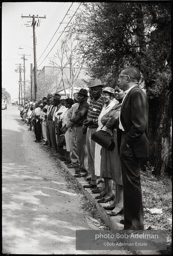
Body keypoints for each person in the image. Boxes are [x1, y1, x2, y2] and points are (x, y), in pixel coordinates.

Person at [117, 66, 149, 230]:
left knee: (132, 184)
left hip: (131, 145)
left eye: (121, 77)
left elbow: (139, 125)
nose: (119, 80)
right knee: (129, 184)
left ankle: (135, 225)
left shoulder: (136, 93)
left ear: (128, 78)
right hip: (127, 143)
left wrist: (128, 143)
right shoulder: (130, 94)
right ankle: (130, 220)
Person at [99, 88, 125, 216]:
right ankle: (116, 201)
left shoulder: (124, 104)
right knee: (114, 171)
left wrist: (107, 119)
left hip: (119, 139)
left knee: (118, 172)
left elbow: (111, 121)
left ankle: (121, 204)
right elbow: (104, 118)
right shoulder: (118, 105)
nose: (116, 93)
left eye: (119, 91)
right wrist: (107, 119)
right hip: (113, 139)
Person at [94, 87, 118, 196]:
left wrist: (104, 120)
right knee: (102, 162)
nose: (104, 96)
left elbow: (107, 120)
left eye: (107, 94)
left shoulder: (114, 105)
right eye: (103, 94)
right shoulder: (105, 105)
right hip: (101, 135)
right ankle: (105, 189)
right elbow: (102, 119)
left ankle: (109, 190)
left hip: (107, 136)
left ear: (112, 95)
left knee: (108, 164)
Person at [83, 79, 105, 189]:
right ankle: (92, 179)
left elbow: (104, 117)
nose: (93, 92)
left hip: (97, 131)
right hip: (89, 130)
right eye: (91, 90)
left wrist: (93, 121)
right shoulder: (92, 100)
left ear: (101, 89)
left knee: (97, 156)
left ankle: (99, 182)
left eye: (95, 89)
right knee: (90, 155)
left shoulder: (103, 101)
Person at [68, 89, 89, 177]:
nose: (79, 97)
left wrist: (71, 121)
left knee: (82, 149)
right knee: (77, 147)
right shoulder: (79, 105)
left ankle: (84, 169)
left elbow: (79, 116)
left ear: (85, 97)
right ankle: (80, 167)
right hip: (77, 127)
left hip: (81, 127)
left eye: (81, 96)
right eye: (78, 95)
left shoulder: (85, 105)